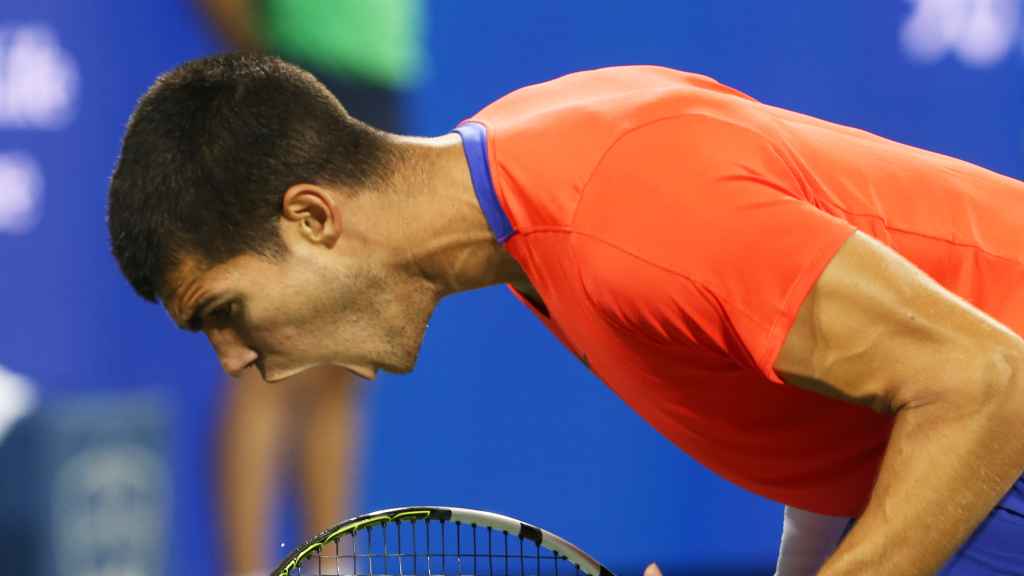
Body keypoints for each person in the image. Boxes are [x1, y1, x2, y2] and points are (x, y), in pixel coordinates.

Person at [106, 54, 1024, 575]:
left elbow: (985, 383)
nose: (234, 359)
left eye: (223, 311)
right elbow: (836, 422)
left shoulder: (613, 207)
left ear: (312, 217)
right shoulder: (524, 204)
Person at [194, 2, 423, 574]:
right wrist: (274, 75)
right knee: (267, 362)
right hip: (303, 87)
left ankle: (332, 567)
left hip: (381, 87)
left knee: (346, 360)